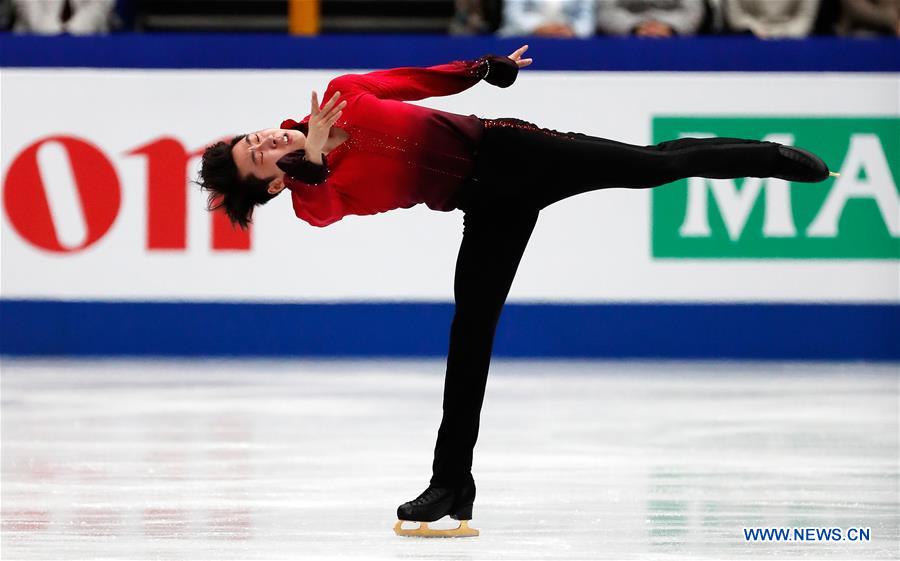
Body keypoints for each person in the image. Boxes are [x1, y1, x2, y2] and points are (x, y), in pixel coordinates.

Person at [197, 45, 834, 538]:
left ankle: (766, 158)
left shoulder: (343, 93)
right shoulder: (313, 197)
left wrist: (482, 68)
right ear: (273, 185)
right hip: (484, 206)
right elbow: (323, 205)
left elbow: (417, 81)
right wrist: (311, 158)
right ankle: (451, 484)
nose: (269, 142)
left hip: (516, 150)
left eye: (257, 137)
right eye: (261, 158)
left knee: (652, 166)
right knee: (470, 335)